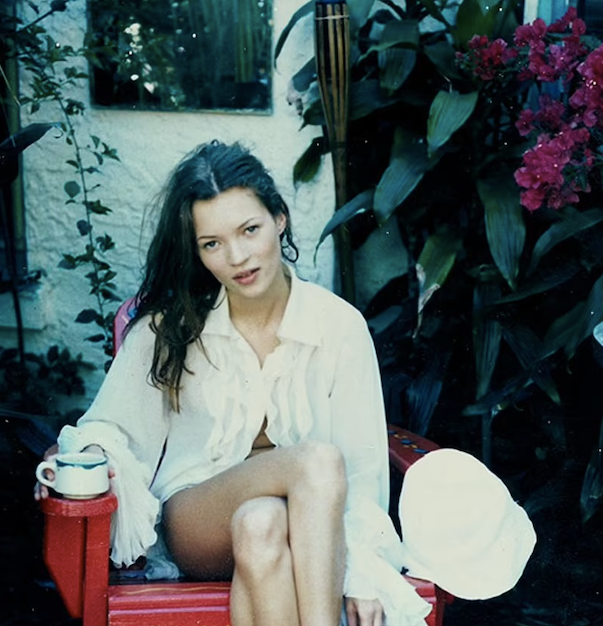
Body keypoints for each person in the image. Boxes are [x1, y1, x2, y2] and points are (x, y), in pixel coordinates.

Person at [34, 140, 422, 626]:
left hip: (295, 526)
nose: (237, 257)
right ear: (197, 252)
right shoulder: (171, 326)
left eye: (249, 230)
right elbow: (111, 425)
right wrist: (77, 456)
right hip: (198, 520)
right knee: (317, 461)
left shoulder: (339, 327)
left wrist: (362, 570)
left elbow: (364, 471)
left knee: (262, 523)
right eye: (212, 244)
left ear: (279, 218)